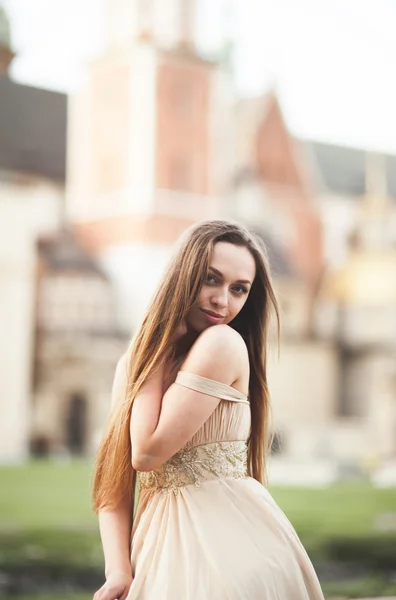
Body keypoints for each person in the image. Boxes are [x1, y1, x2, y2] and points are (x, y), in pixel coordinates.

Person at [92, 220, 325, 600]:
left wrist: (153, 351)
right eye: (210, 279)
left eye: (239, 289)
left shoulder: (222, 343)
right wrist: (118, 571)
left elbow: (147, 452)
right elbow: (113, 484)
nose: (223, 300)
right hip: (159, 548)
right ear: (181, 275)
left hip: (230, 553)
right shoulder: (134, 364)